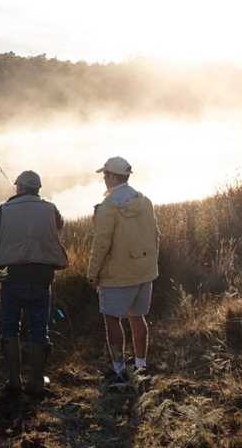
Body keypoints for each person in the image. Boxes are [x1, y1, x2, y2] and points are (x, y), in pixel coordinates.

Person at [0, 170, 68, 395]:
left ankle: (14, 381)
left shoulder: (3, 210)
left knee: (10, 328)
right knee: (39, 330)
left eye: (17, 187)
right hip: (42, 279)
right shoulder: (51, 209)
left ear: (20, 187)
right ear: (38, 188)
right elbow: (59, 228)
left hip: (12, 278)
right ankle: (37, 382)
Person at [87, 156, 160, 387]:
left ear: (111, 176)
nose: (104, 179)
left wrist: (92, 273)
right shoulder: (145, 201)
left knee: (112, 319)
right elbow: (156, 236)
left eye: (105, 175)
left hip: (117, 275)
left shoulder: (108, 208)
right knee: (137, 317)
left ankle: (119, 370)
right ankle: (140, 366)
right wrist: (150, 264)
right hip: (144, 272)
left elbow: (101, 244)